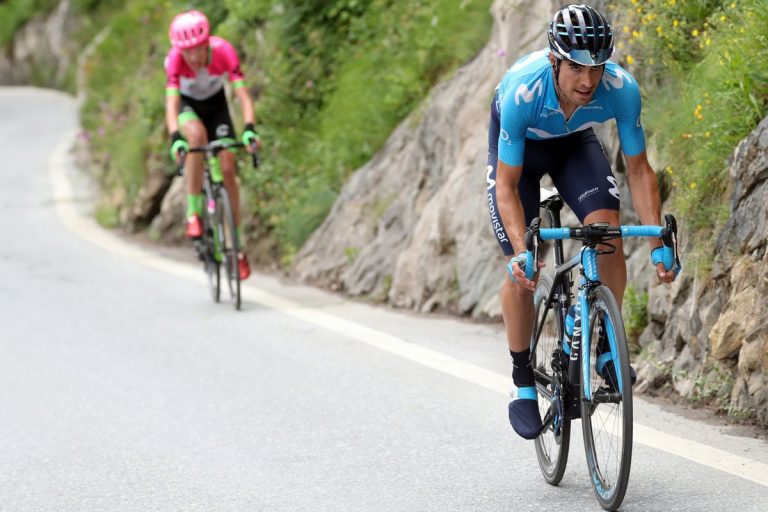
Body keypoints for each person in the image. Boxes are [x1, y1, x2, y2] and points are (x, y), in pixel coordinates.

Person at [486, 4, 677, 440]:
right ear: (554, 60)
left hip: (574, 145)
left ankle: (607, 342)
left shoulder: (620, 89)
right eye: (575, 67)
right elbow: (507, 186)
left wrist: (657, 243)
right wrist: (521, 250)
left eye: (596, 67)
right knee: (522, 269)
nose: (588, 81)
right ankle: (521, 383)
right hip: (521, 156)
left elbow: (640, 169)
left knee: (608, 228)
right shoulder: (522, 93)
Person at [164, 9, 260, 280]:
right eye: (187, 52)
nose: (193, 57)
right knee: (195, 138)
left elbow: (242, 95)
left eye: (197, 50)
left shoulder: (224, 52)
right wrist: (175, 137)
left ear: (207, 43)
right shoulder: (175, 61)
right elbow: (171, 104)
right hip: (188, 106)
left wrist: (250, 129)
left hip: (217, 107)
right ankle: (193, 211)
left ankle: (237, 247)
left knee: (228, 168)